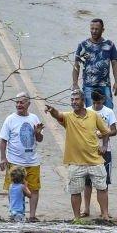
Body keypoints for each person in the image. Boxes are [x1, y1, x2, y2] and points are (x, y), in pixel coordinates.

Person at [44, 90, 111, 219]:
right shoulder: (68, 117)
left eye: (76, 99)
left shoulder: (94, 115)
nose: (74, 102)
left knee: (102, 188)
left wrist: (104, 146)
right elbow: (58, 115)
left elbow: (105, 131)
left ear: (83, 101)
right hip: (75, 162)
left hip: (95, 160)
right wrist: (52, 110)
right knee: (75, 191)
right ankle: (76, 218)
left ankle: (105, 215)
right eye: (72, 100)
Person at [0, 92, 44, 221]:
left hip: (32, 161)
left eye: (22, 102)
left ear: (28, 103)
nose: (19, 104)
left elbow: (39, 139)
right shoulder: (10, 119)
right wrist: (3, 158)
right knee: (13, 188)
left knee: (34, 189)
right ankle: (14, 212)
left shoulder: (34, 118)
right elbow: (3, 140)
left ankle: (32, 216)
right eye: (17, 102)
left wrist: (37, 133)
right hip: (14, 162)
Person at [82, 90, 117, 217]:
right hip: (89, 151)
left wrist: (103, 134)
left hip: (104, 151)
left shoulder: (109, 112)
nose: (96, 105)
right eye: (94, 103)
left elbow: (114, 131)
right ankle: (86, 209)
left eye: (98, 102)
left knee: (104, 183)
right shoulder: (87, 111)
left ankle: (104, 211)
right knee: (87, 182)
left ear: (103, 100)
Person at [72, 18, 117, 108]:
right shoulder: (83, 45)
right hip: (88, 85)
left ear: (103, 30)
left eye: (96, 29)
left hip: (105, 85)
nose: (94, 31)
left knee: (108, 110)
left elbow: (114, 64)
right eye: (92, 28)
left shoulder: (109, 45)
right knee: (91, 112)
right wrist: (75, 83)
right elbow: (77, 65)